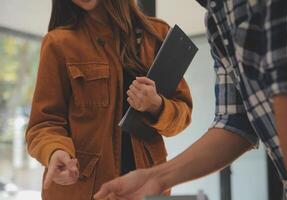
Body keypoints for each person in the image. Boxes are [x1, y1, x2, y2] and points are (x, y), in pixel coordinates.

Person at [93, 0, 287, 199]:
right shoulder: (216, 16)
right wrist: (155, 177)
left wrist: (157, 106)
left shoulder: (156, 34)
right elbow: (235, 122)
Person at [25, 0, 193, 199]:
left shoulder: (156, 34)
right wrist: (55, 151)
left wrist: (156, 105)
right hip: (81, 190)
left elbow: (182, 116)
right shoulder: (59, 42)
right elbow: (43, 124)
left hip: (146, 189)